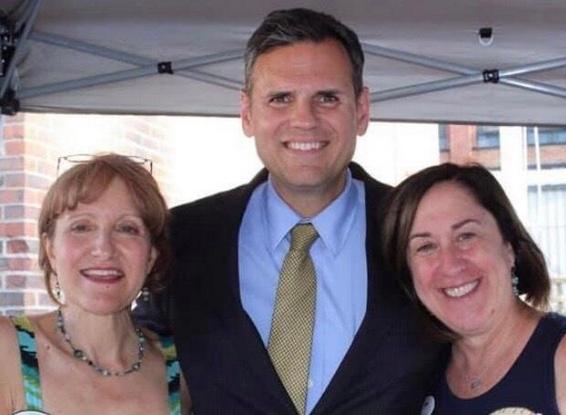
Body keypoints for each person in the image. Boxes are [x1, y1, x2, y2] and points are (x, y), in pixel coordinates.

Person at [134, 7, 442, 415]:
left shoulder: (418, 228)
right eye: (280, 98)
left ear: (362, 109)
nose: (304, 121)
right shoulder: (183, 236)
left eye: (327, 98)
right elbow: (129, 366)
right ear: (247, 113)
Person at [382, 162, 566, 414]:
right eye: (426, 247)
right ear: (409, 273)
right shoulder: (419, 373)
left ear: (509, 246)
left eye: (466, 236)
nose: (450, 264)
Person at [0, 154, 191, 414]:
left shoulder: (181, 369)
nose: (104, 249)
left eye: (127, 228)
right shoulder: (8, 350)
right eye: (81, 227)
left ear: (150, 257)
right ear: (51, 249)